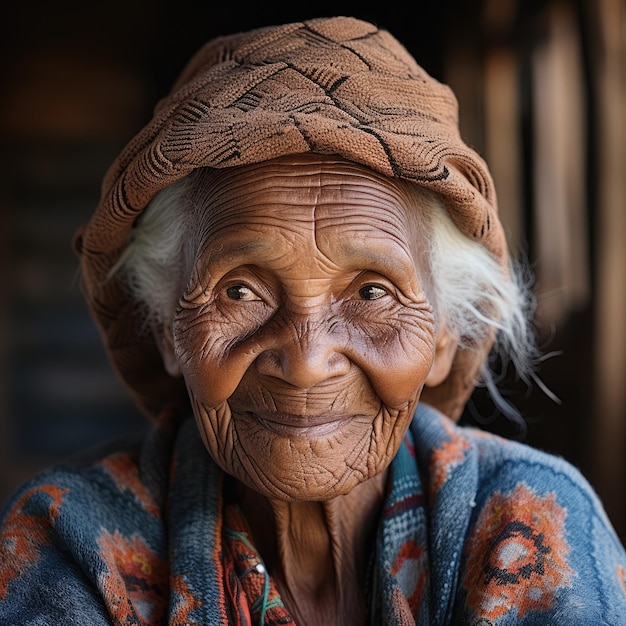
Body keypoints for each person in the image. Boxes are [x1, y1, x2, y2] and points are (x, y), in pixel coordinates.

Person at [1, 16, 625, 626]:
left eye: (372, 293)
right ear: (168, 329)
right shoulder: (69, 544)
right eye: (240, 290)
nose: (305, 360)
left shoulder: (534, 518)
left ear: (443, 336)